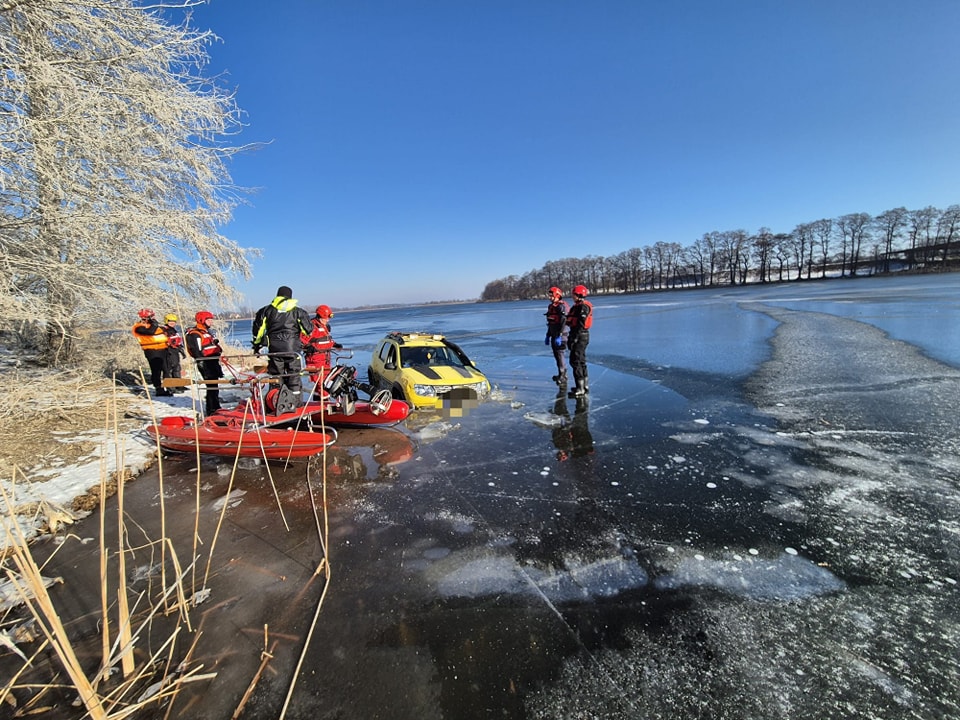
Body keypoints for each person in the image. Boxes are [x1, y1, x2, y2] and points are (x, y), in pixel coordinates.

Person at [251, 285, 313, 398]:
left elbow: (258, 331)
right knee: (294, 376)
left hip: (274, 349)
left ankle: (275, 401)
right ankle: (296, 403)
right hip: (293, 349)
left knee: (275, 377)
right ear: (290, 296)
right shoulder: (298, 312)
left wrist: (256, 345)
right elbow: (307, 330)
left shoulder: (266, 311)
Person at [185, 310, 224, 415]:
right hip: (206, 363)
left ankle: (216, 406)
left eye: (211, 319)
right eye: (209, 320)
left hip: (213, 361)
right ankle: (211, 409)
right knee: (211, 386)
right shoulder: (195, 334)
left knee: (215, 386)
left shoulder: (206, 332)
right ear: (202, 320)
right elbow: (197, 351)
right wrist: (202, 362)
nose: (211, 322)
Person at [132, 308, 172, 397]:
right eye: (151, 316)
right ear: (146, 317)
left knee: (166, 369)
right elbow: (150, 332)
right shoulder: (138, 327)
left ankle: (169, 386)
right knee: (156, 370)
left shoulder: (154, 326)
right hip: (152, 351)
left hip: (163, 349)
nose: (154, 318)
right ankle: (159, 388)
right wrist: (154, 325)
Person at [301, 304, 342, 383]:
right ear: (320, 316)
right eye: (326, 318)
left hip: (325, 358)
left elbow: (325, 339)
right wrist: (307, 346)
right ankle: (320, 395)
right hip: (315, 359)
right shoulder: (310, 326)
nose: (328, 320)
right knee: (319, 383)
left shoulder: (324, 326)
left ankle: (324, 395)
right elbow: (301, 339)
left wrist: (334, 344)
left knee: (327, 382)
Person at [565, 284, 593, 398]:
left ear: (579, 295)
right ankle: (584, 386)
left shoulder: (583, 307)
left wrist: (575, 338)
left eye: (574, 295)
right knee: (580, 360)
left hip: (580, 335)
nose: (572, 297)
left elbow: (581, 324)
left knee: (576, 361)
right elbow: (571, 321)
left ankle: (580, 388)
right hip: (578, 334)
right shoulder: (577, 306)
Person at [544, 286, 569, 385]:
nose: (550, 297)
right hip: (554, 333)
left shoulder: (561, 306)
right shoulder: (551, 307)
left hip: (561, 335)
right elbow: (550, 322)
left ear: (557, 295)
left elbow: (563, 321)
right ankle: (560, 373)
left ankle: (563, 374)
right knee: (556, 355)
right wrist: (548, 335)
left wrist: (560, 334)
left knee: (560, 354)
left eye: (551, 295)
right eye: (549, 295)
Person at [162, 313, 186, 391]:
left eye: (174, 321)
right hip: (167, 351)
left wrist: (181, 348)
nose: (172, 323)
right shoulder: (163, 330)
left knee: (177, 367)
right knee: (168, 368)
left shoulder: (174, 330)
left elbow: (177, 340)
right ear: (166, 321)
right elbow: (165, 340)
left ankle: (178, 385)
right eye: (170, 321)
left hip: (175, 351)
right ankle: (170, 387)